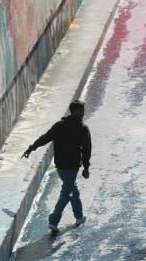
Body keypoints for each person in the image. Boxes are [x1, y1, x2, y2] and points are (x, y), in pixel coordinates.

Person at [23, 99, 92, 233]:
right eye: (82, 110)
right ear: (76, 111)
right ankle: (53, 221)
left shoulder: (59, 126)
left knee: (73, 191)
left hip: (60, 166)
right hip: (72, 167)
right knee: (66, 194)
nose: (83, 113)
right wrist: (86, 167)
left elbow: (45, 138)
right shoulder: (82, 129)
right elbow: (87, 149)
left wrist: (32, 148)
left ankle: (79, 217)